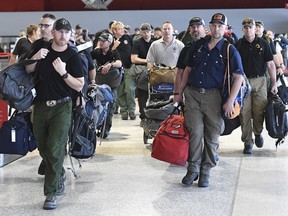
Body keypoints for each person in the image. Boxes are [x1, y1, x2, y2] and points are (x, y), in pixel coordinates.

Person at [174, 13, 244, 187]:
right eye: (214, 25)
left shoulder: (229, 50)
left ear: (226, 29)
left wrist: (230, 102)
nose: (216, 28)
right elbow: (187, 70)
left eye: (220, 26)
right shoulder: (197, 46)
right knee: (196, 132)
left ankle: (206, 171)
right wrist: (179, 93)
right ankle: (193, 169)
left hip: (215, 97)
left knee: (212, 135)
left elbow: (239, 77)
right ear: (210, 27)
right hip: (193, 95)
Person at [26, 18, 85, 210]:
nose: (63, 35)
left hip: (62, 106)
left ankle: (50, 194)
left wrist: (63, 73)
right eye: (60, 31)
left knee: (55, 147)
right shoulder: (43, 51)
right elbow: (27, 69)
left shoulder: (73, 55)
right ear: (53, 33)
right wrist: (35, 57)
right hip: (41, 106)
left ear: (70, 34)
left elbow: (79, 84)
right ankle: (59, 174)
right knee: (43, 148)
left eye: (67, 32)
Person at [234, 18, 278, 154]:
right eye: (245, 27)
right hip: (243, 82)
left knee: (259, 111)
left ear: (255, 28)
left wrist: (274, 83)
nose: (248, 30)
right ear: (243, 29)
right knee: (244, 113)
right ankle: (247, 142)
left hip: (260, 81)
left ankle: (258, 133)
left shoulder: (264, 44)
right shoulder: (238, 45)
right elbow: (234, 66)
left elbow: (270, 64)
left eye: (250, 27)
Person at [90, 32, 122, 137]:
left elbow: (119, 63)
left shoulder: (113, 52)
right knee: (97, 104)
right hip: (99, 81)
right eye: (100, 40)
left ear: (109, 42)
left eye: (104, 41)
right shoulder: (96, 52)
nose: (101, 42)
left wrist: (110, 64)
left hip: (112, 82)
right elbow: (89, 59)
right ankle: (98, 125)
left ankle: (106, 127)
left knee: (111, 105)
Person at [129, 23, 154, 126]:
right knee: (141, 93)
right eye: (144, 32)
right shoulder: (137, 42)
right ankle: (143, 116)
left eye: (148, 32)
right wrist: (148, 61)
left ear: (151, 32)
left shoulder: (155, 43)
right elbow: (134, 58)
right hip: (141, 70)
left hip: (154, 69)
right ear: (141, 32)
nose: (146, 34)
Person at [174, 17, 206, 94]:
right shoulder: (187, 48)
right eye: (192, 27)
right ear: (190, 30)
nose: (195, 29)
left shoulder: (212, 46)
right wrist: (177, 94)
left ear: (204, 28)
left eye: (198, 26)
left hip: (211, 93)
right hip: (191, 92)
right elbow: (179, 72)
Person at [111, 21, 134, 120]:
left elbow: (133, 51)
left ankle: (132, 110)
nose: (122, 30)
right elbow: (109, 54)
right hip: (117, 69)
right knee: (120, 91)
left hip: (129, 67)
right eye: (120, 28)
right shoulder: (111, 40)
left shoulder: (128, 38)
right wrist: (114, 47)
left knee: (129, 89)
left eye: (123, 28)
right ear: (114, 30)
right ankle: (123, 111)